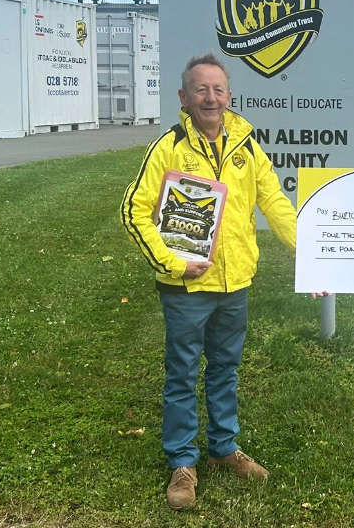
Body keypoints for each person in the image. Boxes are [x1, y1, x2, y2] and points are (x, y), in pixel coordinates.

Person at [120, 53, 296, 511]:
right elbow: (134, 211)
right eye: (201, 89)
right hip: (185, 288)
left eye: (218, 89)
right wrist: (173, 262)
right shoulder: (168, 148)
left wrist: (312, 253)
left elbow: (274, 201)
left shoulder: (246, 146)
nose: (210, 98)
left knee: (224, 369)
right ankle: (183, 462)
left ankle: (223, 447)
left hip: (235, 284)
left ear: (229, 95)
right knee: (181, 374)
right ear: (184, 97)